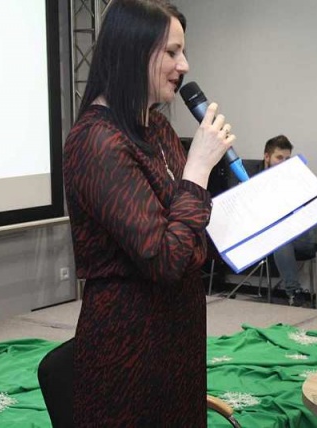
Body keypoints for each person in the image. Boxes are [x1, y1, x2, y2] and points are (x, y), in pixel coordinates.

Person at [62, 1, 234, 426]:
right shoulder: (97, 141)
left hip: (176, 336)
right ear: (134, 52)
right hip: (129, 347)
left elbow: (186, 236)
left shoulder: (155, 127)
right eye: (172, 52)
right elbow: (166, 258)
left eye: (183, 51)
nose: (185, 65)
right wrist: (198, 169)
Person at [259, 135, 317, 308]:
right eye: (279, 158)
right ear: (267, 157)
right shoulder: (255, 183)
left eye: (287, 159)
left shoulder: (296, 178)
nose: (284, 163)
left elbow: (316, 195)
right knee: (281, 239)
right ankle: (294, 293)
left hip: (300, 234)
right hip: (273, 238)